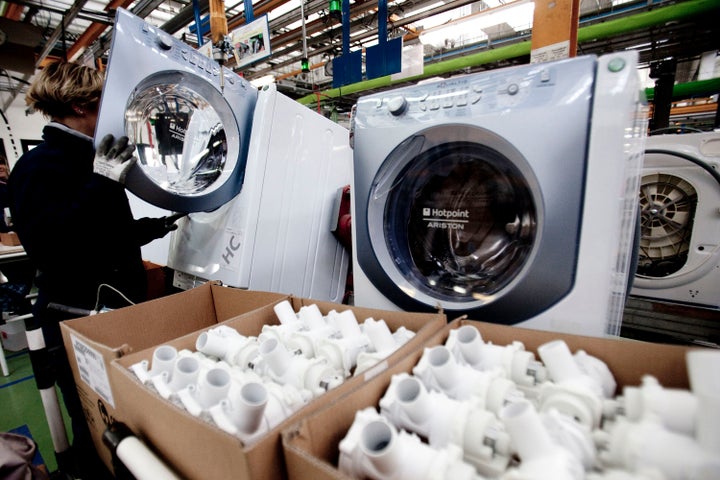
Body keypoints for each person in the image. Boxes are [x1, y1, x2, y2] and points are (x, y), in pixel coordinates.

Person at [8, 61, 181, 478]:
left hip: (119, 314)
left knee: (129, 419)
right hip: (78, 323)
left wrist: (152, 229)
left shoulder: (93, 159)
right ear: (83, 104)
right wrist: (104, 180)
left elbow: (101, 236)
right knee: (96, 426)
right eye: (103, 99)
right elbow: (53, 248)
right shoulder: (37, 166)